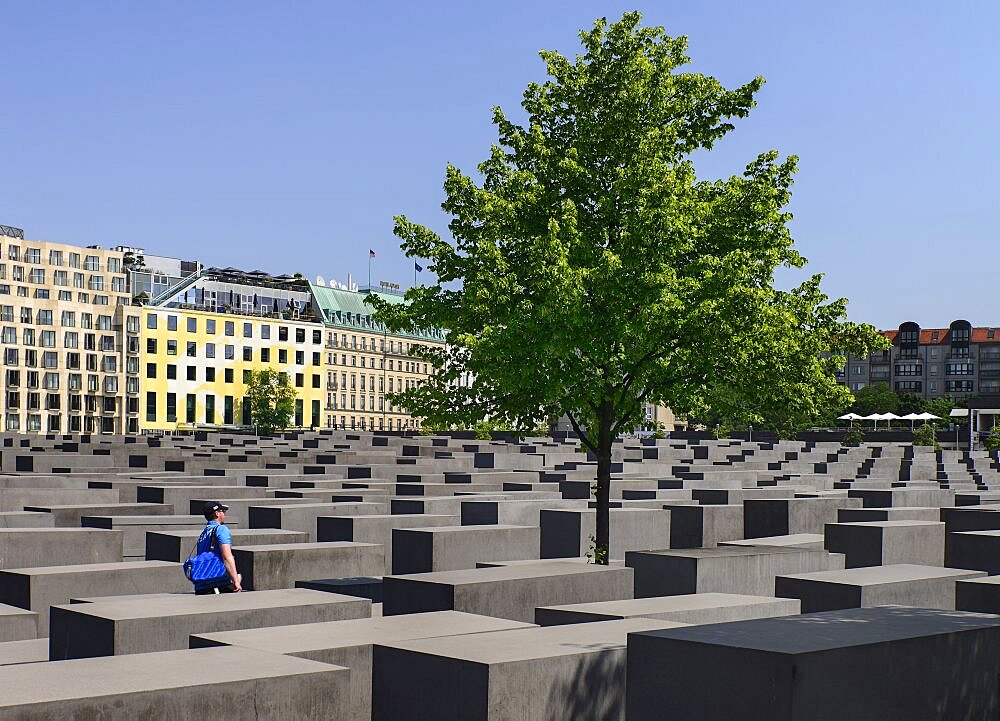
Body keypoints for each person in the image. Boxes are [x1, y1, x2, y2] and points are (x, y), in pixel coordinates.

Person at [194, 501, 242, 594]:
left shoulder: (204, 533)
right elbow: (226, 556)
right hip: (217, 584)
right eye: (222, 511)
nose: (224, 514)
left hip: (201, 585)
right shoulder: (221, 529)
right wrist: (236, 581)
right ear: (217, 513)